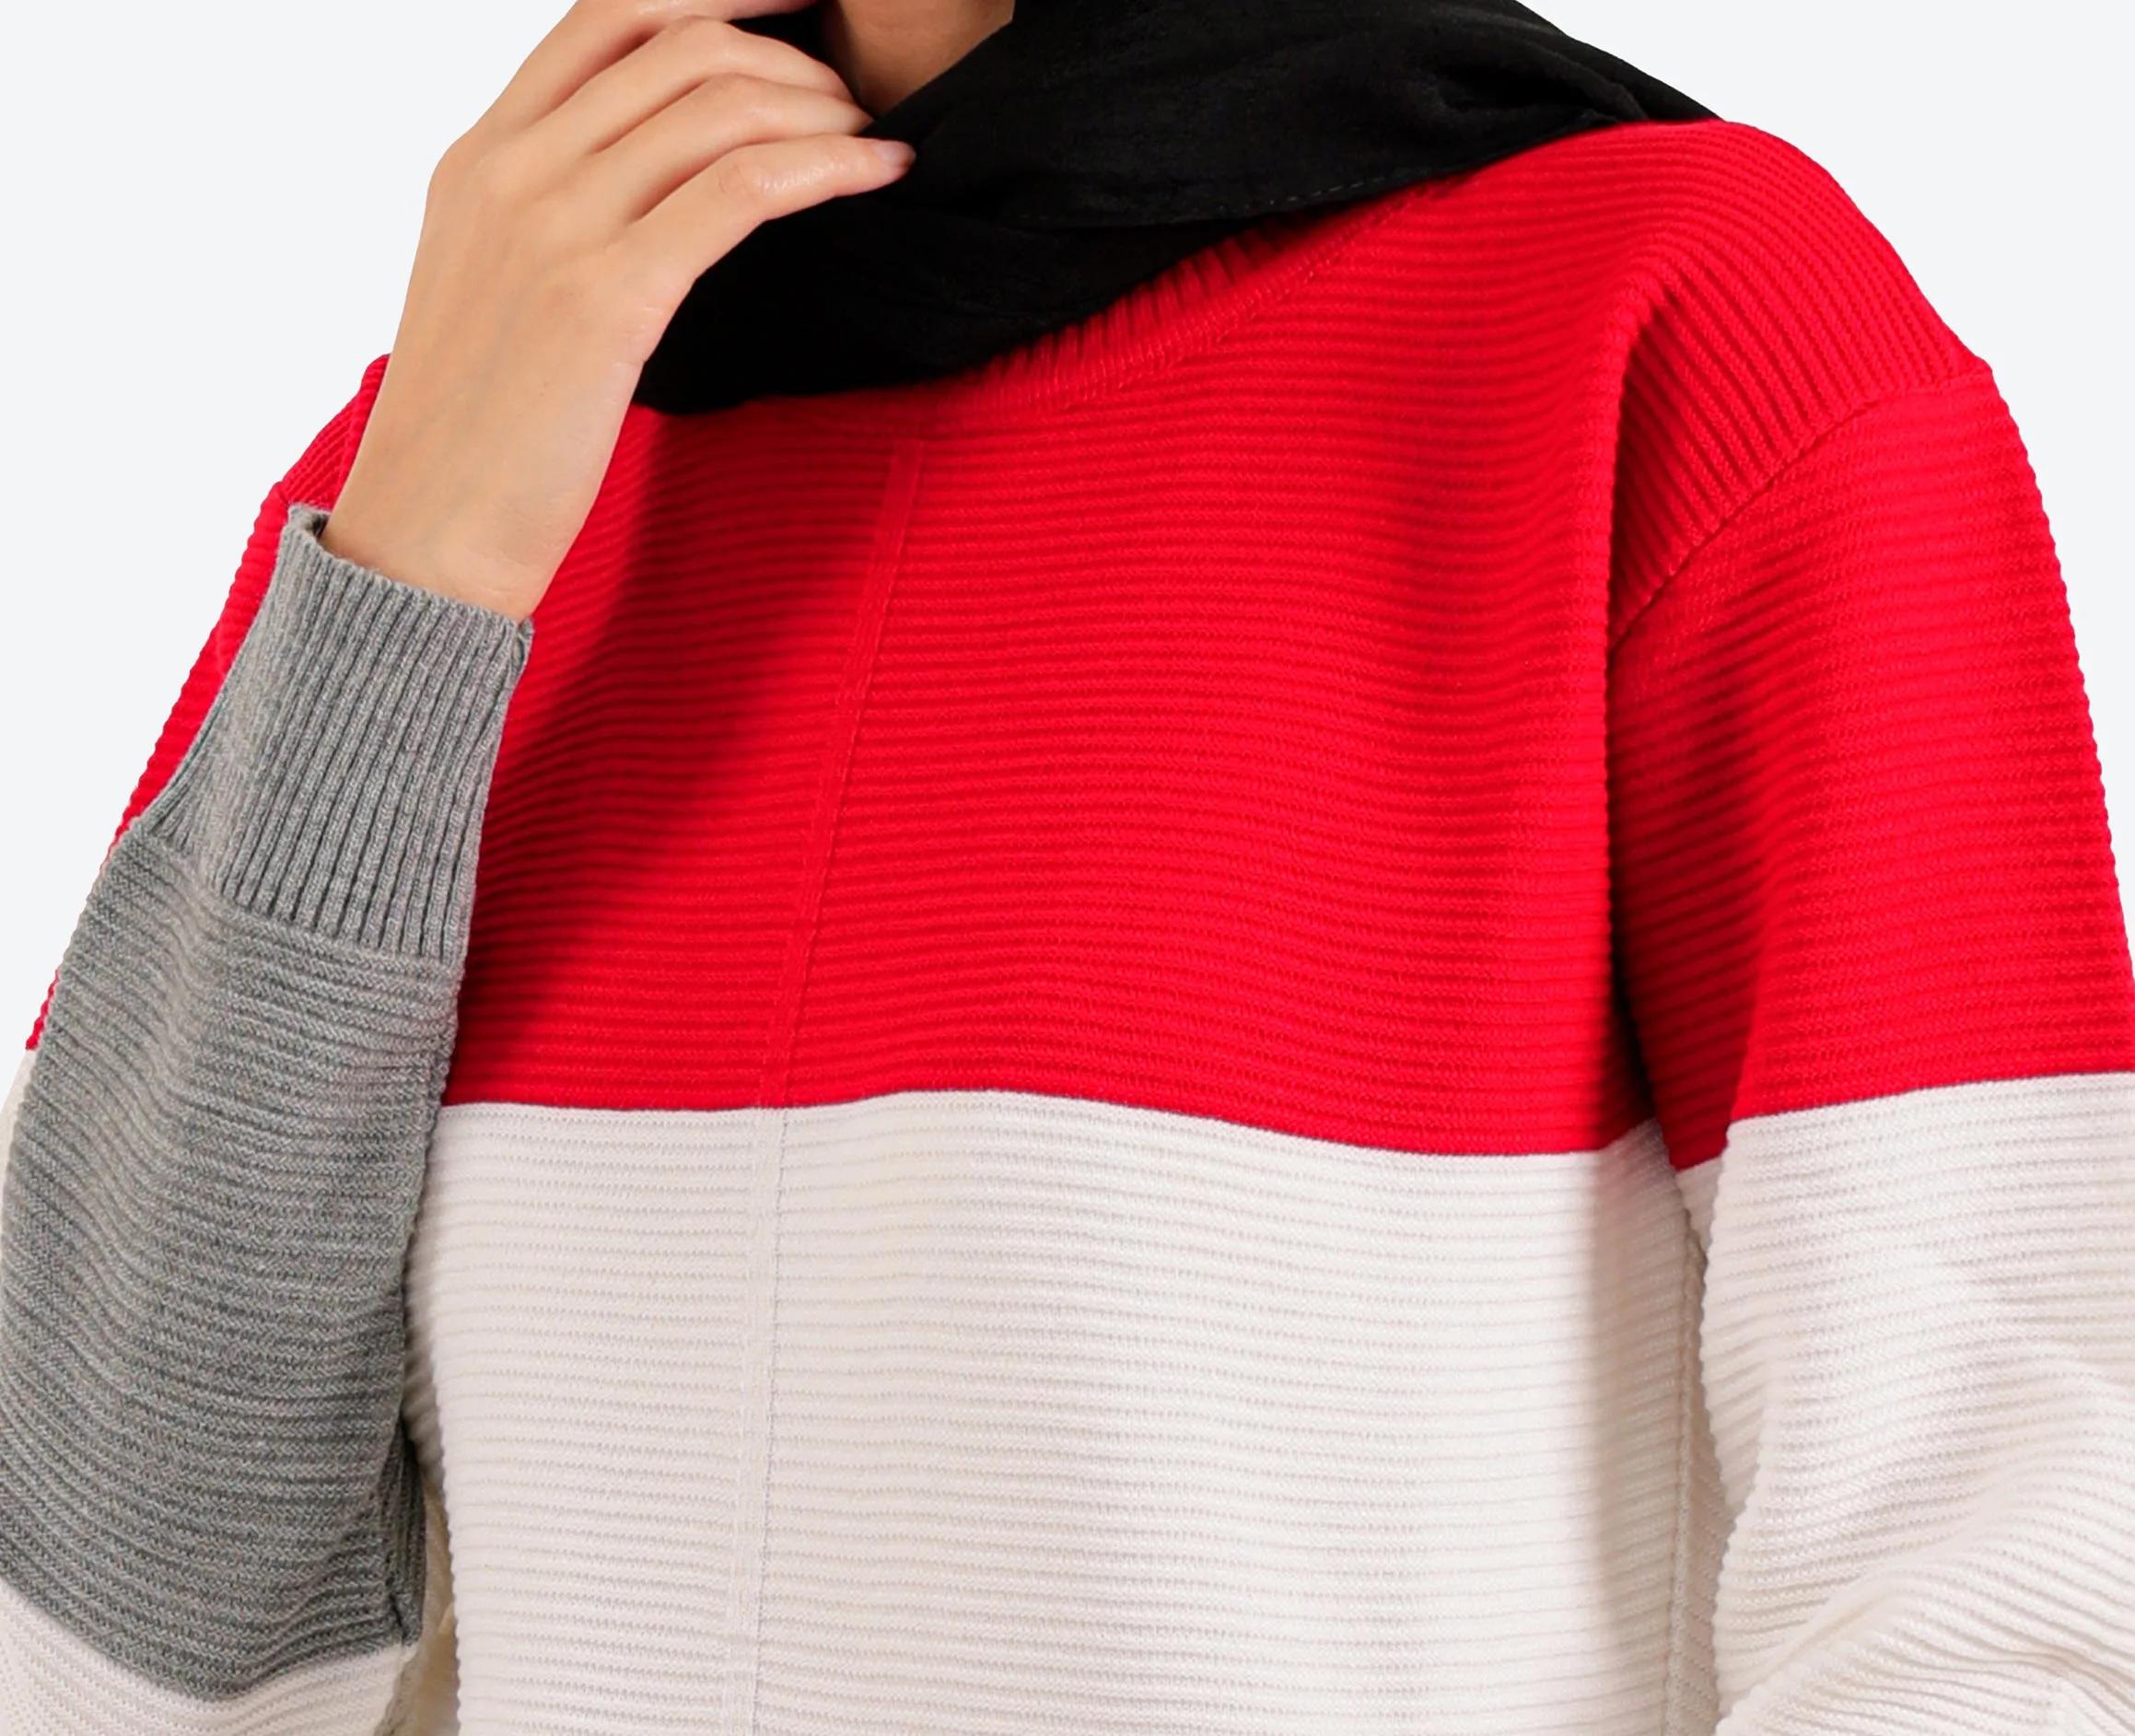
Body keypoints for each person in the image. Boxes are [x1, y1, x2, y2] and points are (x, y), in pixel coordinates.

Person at [4, 0, 2132, 1730]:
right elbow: (107, 1642)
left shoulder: (1678, 321)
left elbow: (2000, 1579)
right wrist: (421, 562)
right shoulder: (469, 443)